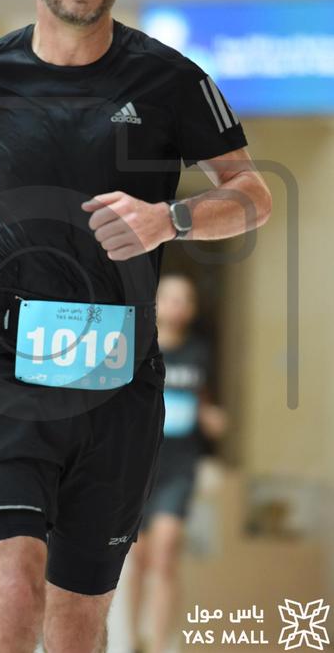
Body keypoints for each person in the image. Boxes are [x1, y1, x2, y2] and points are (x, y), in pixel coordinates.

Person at [0, 0, 272, 651]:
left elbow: (252, 194)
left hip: (118, 380)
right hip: (3, 362)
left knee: (78, 619)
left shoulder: (172, 81)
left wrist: (169, 219)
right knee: (15, 578)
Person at [127, 274, 227, 653]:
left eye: (186, 299)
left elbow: (203, 400)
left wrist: (211, 417)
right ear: (155, 303)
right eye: (170, 298)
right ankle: (134, 639)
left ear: (193, 309)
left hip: (180, 467)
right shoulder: (137, 348)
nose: (177, 306)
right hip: (139, 466)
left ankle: (158, 643)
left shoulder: (201, 354)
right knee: (138, 558)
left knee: (165, 554)